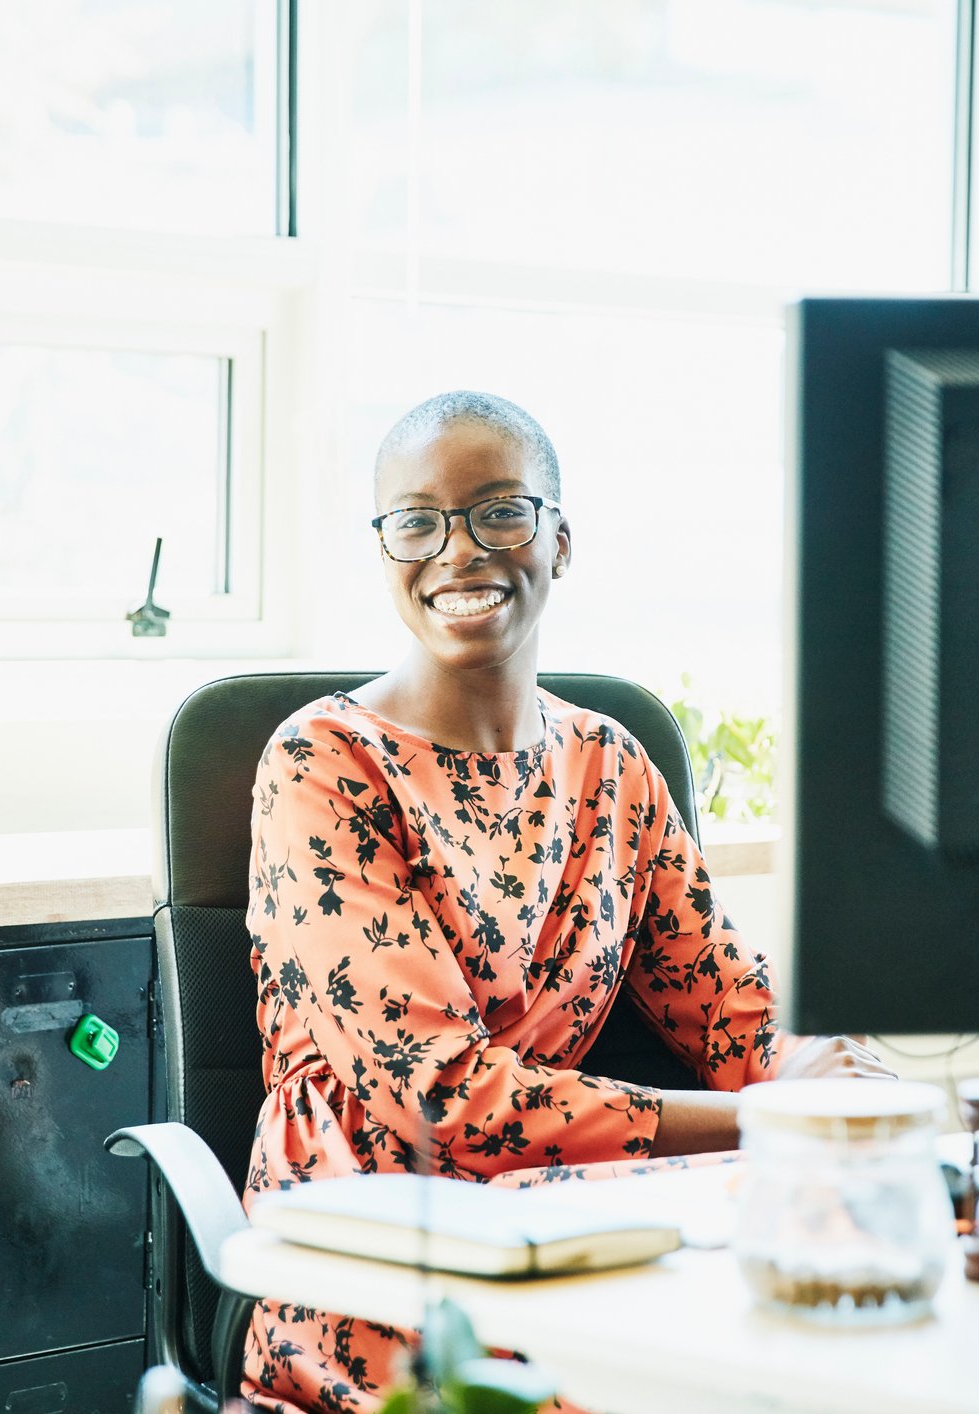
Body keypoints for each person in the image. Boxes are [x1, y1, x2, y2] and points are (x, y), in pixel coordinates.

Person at [239, 391, 890, 1413]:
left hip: (569, 1218)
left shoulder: (612, 767)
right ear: (384, 551)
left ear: (560, 537)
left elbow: (728, 1005)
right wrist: (767, 1122)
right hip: (377, 1241)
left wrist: (828, 1076)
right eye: (416, 521)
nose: (457, 551)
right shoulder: (325, 764)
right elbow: (439, 1096)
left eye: (500, 510)